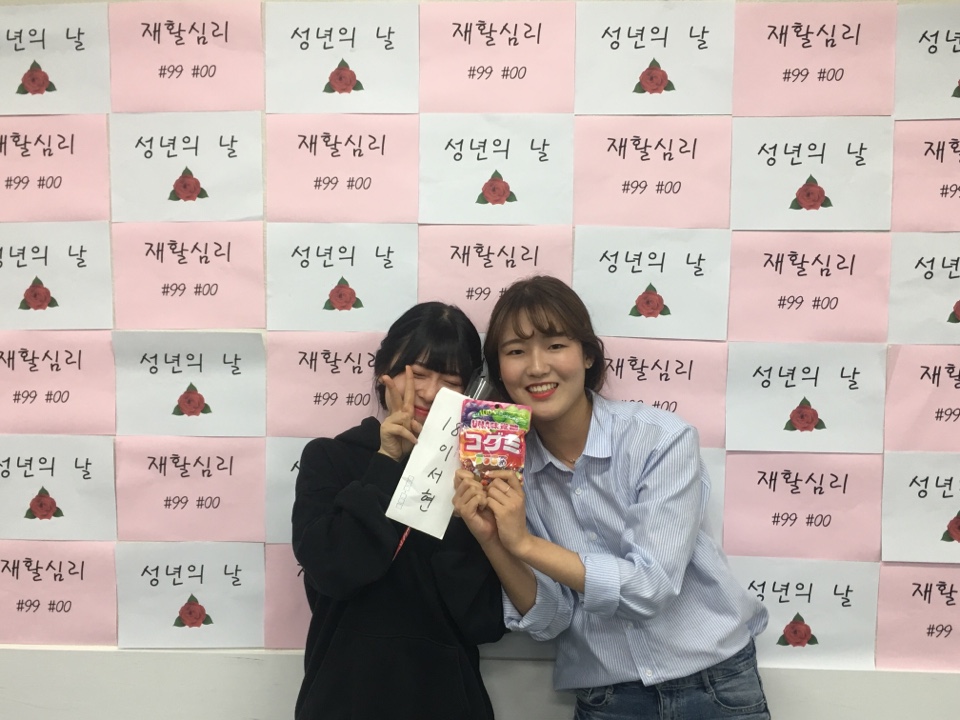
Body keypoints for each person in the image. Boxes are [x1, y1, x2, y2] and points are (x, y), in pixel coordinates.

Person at [454, 276, 770, 720]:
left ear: (587, 355)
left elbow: (649, 588)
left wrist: (524, 543)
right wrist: (494, 540)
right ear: (499, 372)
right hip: (608, 699)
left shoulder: (661, 439)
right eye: (516, 351)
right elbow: (550, 620)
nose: (537, 367)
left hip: (715, 685)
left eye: (555, 345)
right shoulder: (507, 469)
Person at [292, 302, 506, 720]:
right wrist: (387, 460)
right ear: (383, 371)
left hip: (447, 702)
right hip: (342, 697)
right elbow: (335, 571)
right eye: (418, 373)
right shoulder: (329, 458)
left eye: (451, 382)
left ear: (471, 392)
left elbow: (485, 622)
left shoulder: (474, 475)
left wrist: (465, 522)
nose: (429, 393)